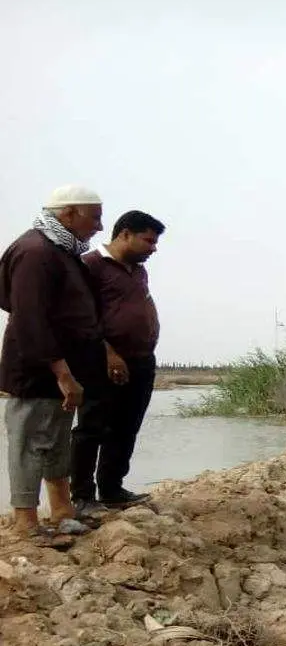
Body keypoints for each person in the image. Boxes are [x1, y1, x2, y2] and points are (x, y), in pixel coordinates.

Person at [0, 185, 107, 538]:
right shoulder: (36, 251)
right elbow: (29, 315)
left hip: (63, 369)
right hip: (38, 370)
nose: (99, 226)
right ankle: (25, 524)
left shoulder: (61, 250)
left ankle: (62, 511)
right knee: (29, 443)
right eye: (95, 217)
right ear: (69, 213)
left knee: (56, 441)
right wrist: (60, 370)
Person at [71, 210, 165, 513]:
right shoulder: (90, 265)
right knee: (92, 427)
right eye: (148, 241)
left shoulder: (138, 270)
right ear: (125, 233)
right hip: (102, 361)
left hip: (141, 361)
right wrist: (109, 352)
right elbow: (84, 318)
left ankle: (111, 489)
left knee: (126, 427)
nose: (154, 248)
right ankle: (83, 497)